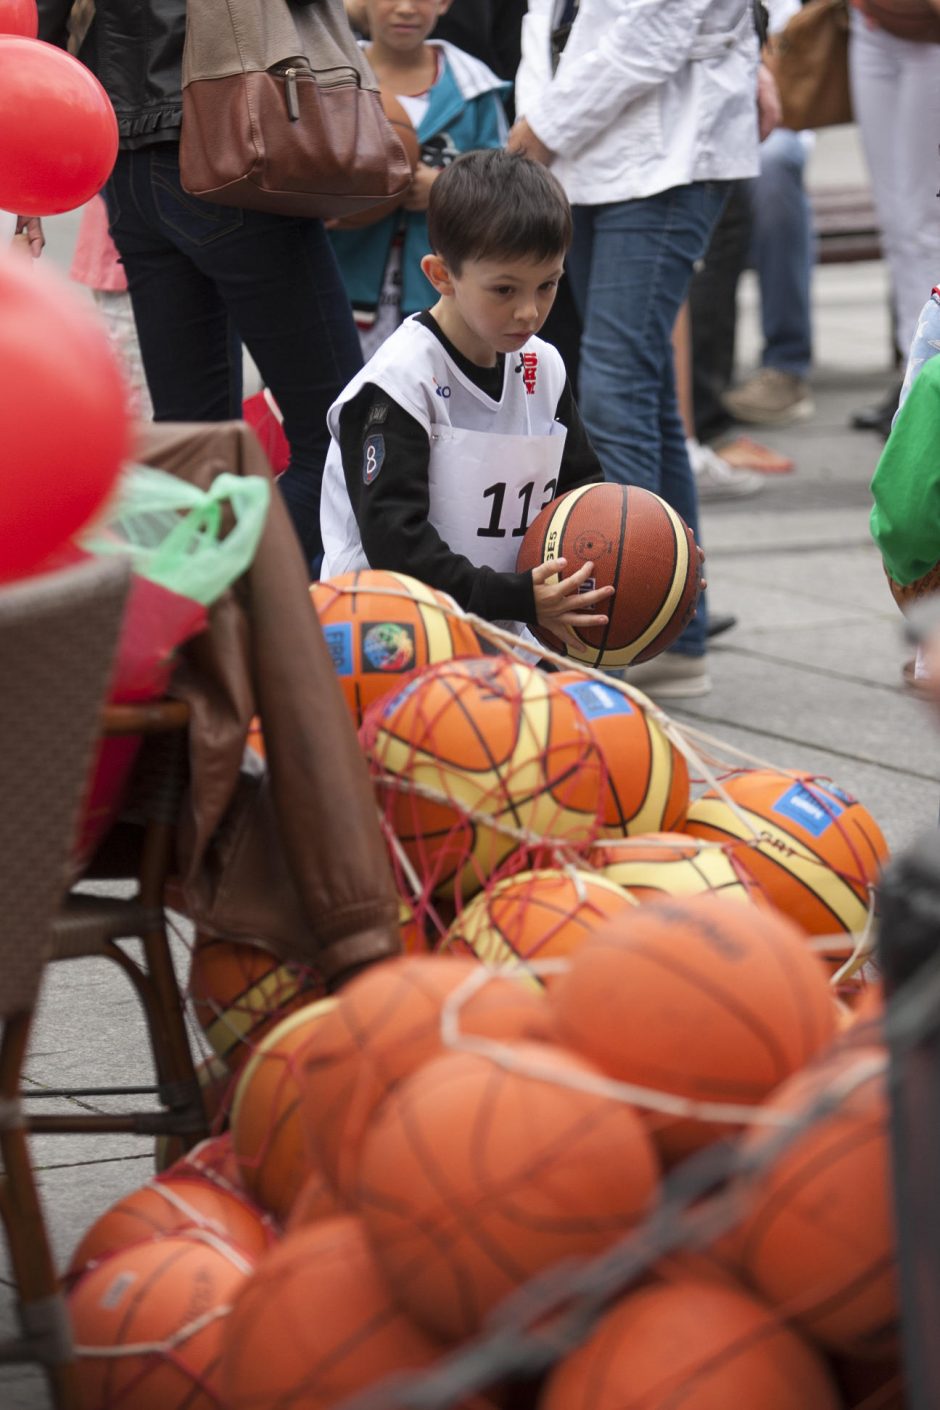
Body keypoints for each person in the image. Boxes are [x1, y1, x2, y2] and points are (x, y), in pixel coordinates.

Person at [38, 0, 365, 574]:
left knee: (195, 444)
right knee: (343, 437)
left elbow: (41, 19)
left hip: (127, 154)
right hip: (229, 133)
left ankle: (181, 627)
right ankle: (220, 596)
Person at [511, 0, 778, 698]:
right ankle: (676, 635)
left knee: (617, 390)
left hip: (663, 149)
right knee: (644, 395)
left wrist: (540, 130)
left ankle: (610, 650)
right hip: (600, 152)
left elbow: (655, 30)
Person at [320, 149, 614, 645]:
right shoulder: (398, 385)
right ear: (441, 275)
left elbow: (581, 492)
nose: (529, 311)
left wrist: (649, 554)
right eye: (504, 290)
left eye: (548, 286)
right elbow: (398, 543)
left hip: (499, 628)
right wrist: (517, 597)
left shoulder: (544, 367)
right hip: (386, 633)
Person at [329, 0, 509, 360]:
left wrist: (446, 187)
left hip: (441, 292)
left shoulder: (475, 88)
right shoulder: (331, 74)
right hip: (345, 279)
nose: (406, 8)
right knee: (344, 396)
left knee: (430, 397)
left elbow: (504, 187)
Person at [848, 0, 940, 438]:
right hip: (872, 24)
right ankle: (914, 376)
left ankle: (928, 384)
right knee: (898, 223)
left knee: (925, 224)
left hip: (929, 35)